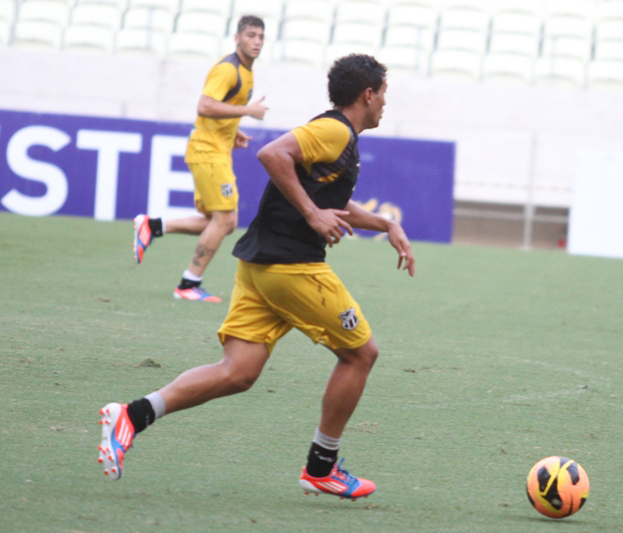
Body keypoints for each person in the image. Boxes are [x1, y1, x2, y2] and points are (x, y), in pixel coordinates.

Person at [98, 54, 415, 500]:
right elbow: (272, 154)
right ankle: (321, 467)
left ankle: (132, 414)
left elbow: (332, 204)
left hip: (259, 267)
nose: (385, 102)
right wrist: (311, 213)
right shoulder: (334, 130)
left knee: (237, 372)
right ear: (368, 94)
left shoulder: (340, 138)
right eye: (383, 93)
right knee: (361, 355)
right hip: (291, 268)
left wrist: (386, 225)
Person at [132, 15, 269, 303]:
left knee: (217, 220)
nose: (256, 41)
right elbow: (205, 105)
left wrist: (233, 133)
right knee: (226, 219)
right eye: (251, 35)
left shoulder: (246, 71)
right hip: (207, 153)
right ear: (237, 37)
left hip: (216, 149)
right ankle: (187, 284)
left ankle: (154, 226)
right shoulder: (228, 69)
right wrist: (246, 110)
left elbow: (219, 109)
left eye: (260, 36)